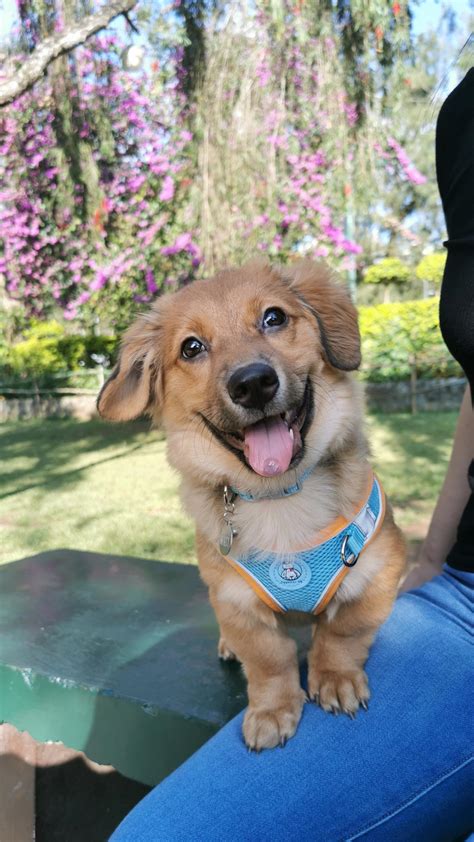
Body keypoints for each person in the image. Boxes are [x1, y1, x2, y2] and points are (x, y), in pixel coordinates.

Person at [110, 70, 474, 841]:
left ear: (318, 328)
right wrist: (274, 677)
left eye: (274, 321)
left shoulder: (363, 516)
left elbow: (377, 581)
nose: (248, 367)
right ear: (159, 380)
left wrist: (337, 647)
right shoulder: (465, 122)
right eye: (196, 350)